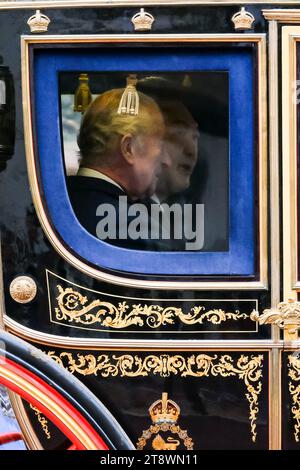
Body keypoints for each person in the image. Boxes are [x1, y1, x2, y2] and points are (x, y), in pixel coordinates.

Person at [67, 87, 171, 250]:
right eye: (159, 146)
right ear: (129, 148)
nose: (166, 160)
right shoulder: (133, 227)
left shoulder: (57, 201)